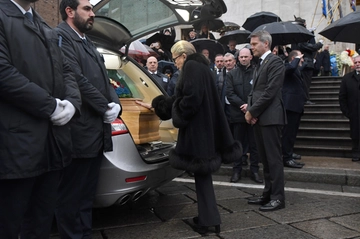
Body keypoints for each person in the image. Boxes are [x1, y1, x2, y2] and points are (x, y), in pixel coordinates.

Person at [136, 40, 242, 234]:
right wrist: (157, 105)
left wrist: (178, 116)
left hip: (198, 132)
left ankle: (208, 220)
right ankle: (209, 218)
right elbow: (183, 98)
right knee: (203, 176)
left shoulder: (191, 67)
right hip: (205, 129)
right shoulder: (202, 67)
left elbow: (190, 101)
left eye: (175, 59)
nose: (174, 63)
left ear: (183, 56)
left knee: (202, 175)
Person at [0, 0, 81, 237]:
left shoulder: (44, 24)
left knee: (41, 223)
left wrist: (72, 104)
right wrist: (50, 106)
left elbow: (67, 71)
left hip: (51, 147)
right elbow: (3, 72)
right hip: (15, 148)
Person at [54, 0, 122, 237]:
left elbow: (106, 79)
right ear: (69, 12)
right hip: (78, 133)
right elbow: (75, 79)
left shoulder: (88, 42)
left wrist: (116, 104)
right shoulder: (60, 38)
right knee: (71, 198)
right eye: (87, 9)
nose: (93, 14)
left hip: (94, 132)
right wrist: (105, 106)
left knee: (86, 196)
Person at [245, 30, 286, 211]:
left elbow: (270, 92)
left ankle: (278, 197)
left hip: (270, 118)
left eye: (254, 44)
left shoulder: (275, 62)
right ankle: (268, 193)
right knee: (265, 159)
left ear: (266, 44)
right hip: (260, 118)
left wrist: (252, 111)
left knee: (273, 159)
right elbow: (254, 91)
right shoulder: (260, 64)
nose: (251, 47)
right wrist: (251, 110)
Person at [227, 47, 263, 184]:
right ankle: (236, 171)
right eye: (241, 57)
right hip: (237, 114)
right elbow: (230, 93)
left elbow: (259, 91)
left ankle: (254, 170)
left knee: (254, 145)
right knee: (238, 144)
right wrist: (243, 106)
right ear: (238, 58)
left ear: (250, 57)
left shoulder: (257, 72)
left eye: (245, 57)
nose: (243, 59)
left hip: (253, 114)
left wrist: (250, 107)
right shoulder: (232, 74)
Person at [282, 50, 307, 169]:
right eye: (300, 58)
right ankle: (286, 158)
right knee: (288, 133)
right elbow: (290, 69)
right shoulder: (287, 67)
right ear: (293, 59)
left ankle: (289, 153)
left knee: (292, 134)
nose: (302, 60)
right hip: (290, 107)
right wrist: (296, 59)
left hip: (297, 107)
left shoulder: (297, 69)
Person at [292, 16, 323, 105]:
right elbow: (311, 47)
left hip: (304, 62)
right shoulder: (299, 37)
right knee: (305, 82)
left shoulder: (296, 36)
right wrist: (319, 44)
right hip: (305, 63)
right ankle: (305, 99)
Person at [339, 55, 360, 162]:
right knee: (355, 133)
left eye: (359, 62)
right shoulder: (347, 78)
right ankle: (355, 152)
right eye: (355, 62)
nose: (357, 64)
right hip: (354, 112)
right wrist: (348, 112)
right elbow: (342, 97)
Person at [216, 53, 236, 128]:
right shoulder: (219, 76)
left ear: (234, 61)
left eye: (230, 60)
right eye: (226, 61)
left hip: (237, 107)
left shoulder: (239, 73)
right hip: (225, 107)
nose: (228, 63)